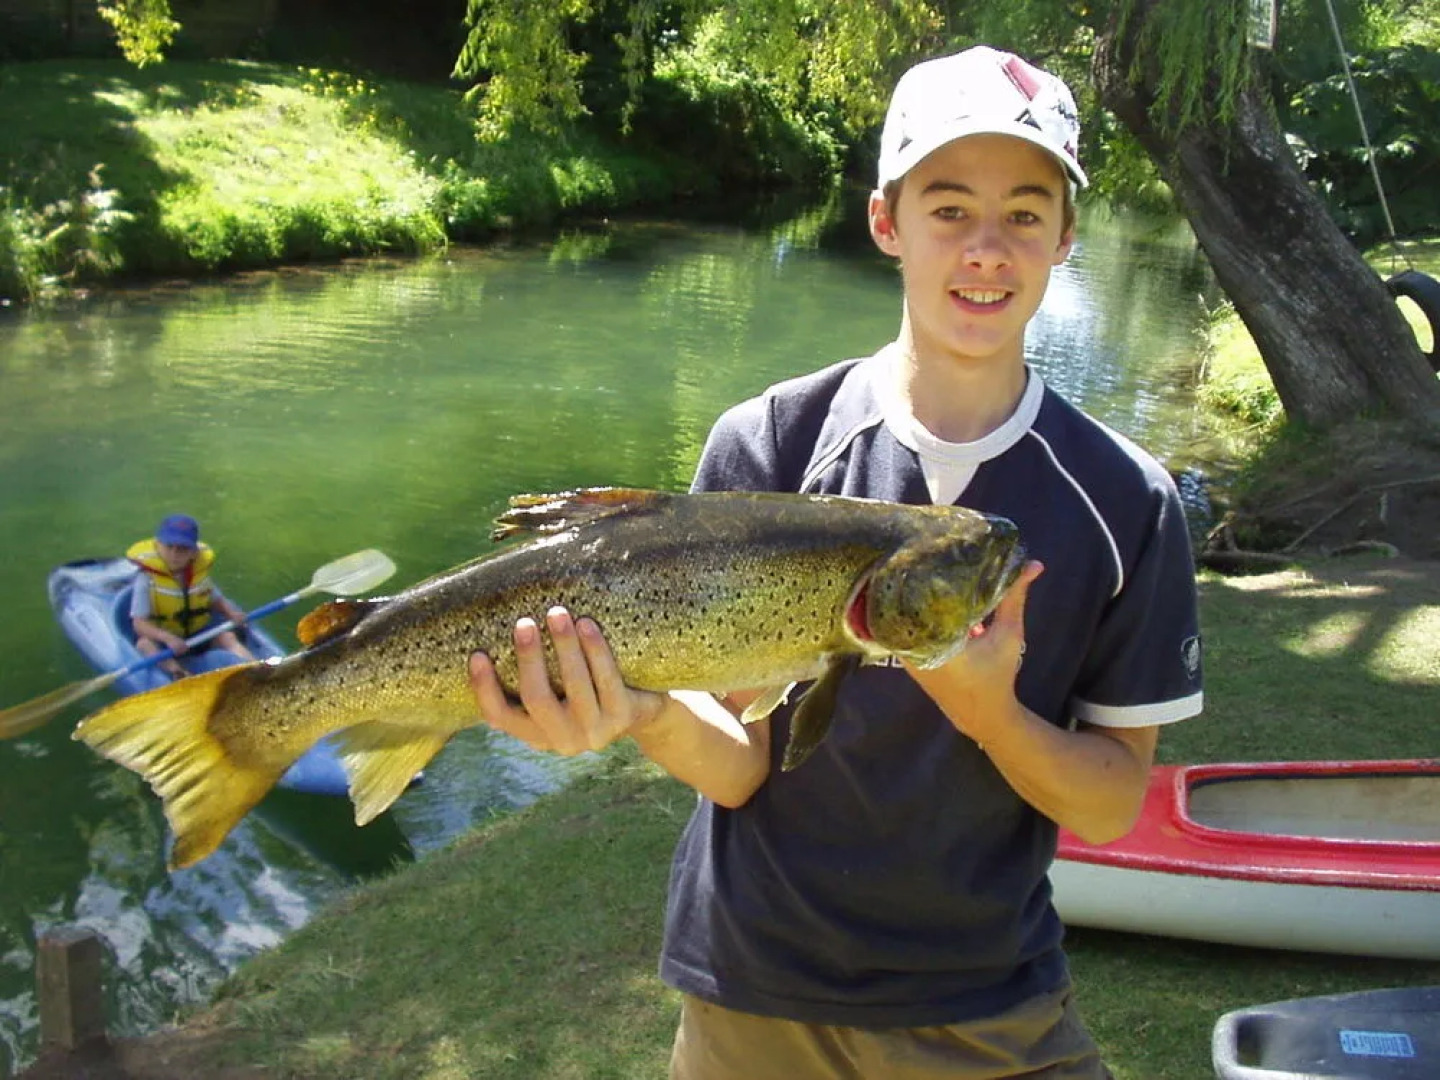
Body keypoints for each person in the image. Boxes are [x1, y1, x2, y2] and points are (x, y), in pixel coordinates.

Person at [468, 44, 1203, 1080]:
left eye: (1025, 214)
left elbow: (1109, 803)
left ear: (1065, 237)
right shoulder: (766, 442)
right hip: (750, 997)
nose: (986, 249)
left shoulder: (1129, 501)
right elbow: (739, 765)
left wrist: (988, 710)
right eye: (949, 209)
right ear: (886, 224)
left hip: (989, 1004)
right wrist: (642, 710)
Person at [128, 513, 255, 679]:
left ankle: (258, 668)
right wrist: (167, 638)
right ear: (158, 545)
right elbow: (139, 624)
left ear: (194, 552)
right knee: (144, 644)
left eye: (182, 549)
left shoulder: (198, 573)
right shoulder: (146, 579)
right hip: (165, 641)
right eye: (169, 546)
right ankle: (178, 673)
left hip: (198, 634)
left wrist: (231, 614)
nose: (174, 554)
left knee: (227, 636)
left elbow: (215, 599)